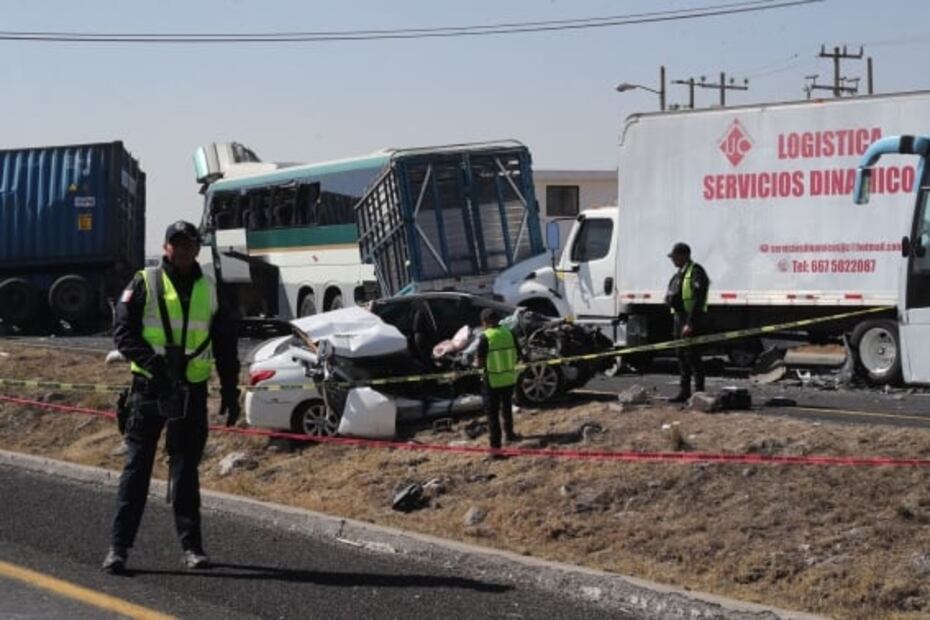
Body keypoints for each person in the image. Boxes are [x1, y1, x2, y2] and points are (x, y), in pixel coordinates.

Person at [102, 220, 241, 573]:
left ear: (197, 248)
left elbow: (225, 344)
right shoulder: (144, 282)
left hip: (191, 391)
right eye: (175, 243)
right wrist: (156, 368)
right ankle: (119, 548)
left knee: (185, 472)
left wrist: (230, 389)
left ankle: (192, 548)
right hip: (149, 389)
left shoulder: (211, 288)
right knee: (136, 470)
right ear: (166, 247)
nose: (181, 250)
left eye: (188, 244)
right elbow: (123, 332)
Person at [665, 242, 710, 403]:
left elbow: (698, 299)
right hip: (678, 319)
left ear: (684, 255)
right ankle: (684, 392)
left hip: (691, 320)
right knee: (681, 356)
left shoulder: (696, 272)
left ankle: (699, 393)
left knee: (693, 356)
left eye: (675, 256)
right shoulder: (678, 274)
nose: (672, 260)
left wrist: (689, 323)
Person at [475, 308, 521, 453]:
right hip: (508, 378)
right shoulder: (509, 333)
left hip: (492, 381)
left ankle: (495, 448)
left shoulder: (485, 337)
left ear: (485, 322)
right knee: (507, 408)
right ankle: (510, 434)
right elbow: (518, 354)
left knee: (492, 415)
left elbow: (479, 363)